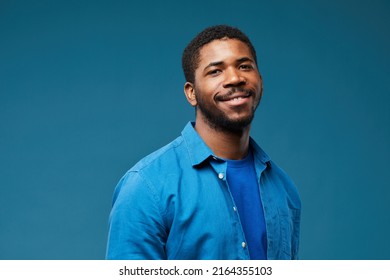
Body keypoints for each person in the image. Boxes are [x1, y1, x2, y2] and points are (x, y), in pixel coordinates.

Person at [106, 25, 301, 260]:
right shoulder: (147, 186)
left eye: (244, 66)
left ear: (259, 80)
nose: (235, 78)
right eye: (215, 71)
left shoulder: (283, 188)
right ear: (191, 93)